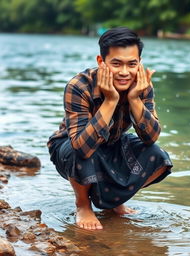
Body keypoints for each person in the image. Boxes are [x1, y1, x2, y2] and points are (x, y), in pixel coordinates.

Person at [47, 27, 173, 230]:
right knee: (81, 150)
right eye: (116, 64)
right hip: (69, 146)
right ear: (101, 61)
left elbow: (151, 138)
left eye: (132, 64)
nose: (124, 72)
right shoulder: (79, 85)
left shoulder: (142, 85)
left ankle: (111, 201)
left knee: (158, 157)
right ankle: (83, 204)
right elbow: (81, 147)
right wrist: (111, 99)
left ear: (139, 63)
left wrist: (134, 98)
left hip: (112, 142)